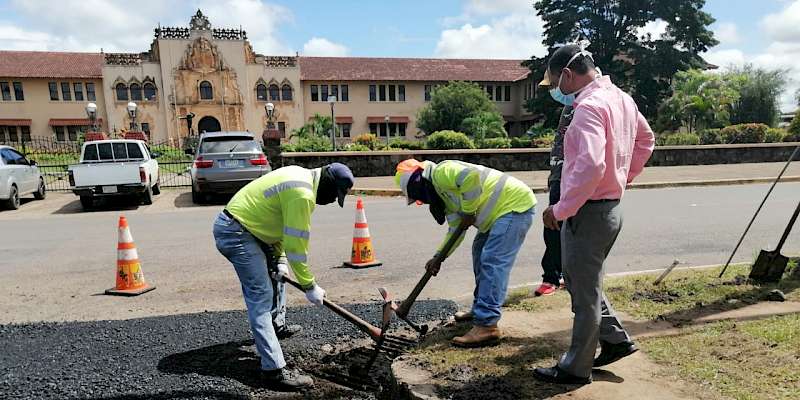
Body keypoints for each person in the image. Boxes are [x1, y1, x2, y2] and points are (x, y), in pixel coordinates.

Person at [532, 43, 655, 384]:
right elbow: (646, 141)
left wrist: (561, 209)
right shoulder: (621, 99)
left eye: (556, 84)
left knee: (582, 295)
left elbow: (589, 166)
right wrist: (623, 176)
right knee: (580, 281)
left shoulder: (587, 107)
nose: (557, 91)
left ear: (568, 75)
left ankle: (575, 368)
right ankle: (615, 340)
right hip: (610, 209)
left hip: (587, 213)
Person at [213, 163, 355, 391]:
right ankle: (274, 370)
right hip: (237, 232)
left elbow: (277, 222)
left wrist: (279, 259)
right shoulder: (303, 194)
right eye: (333, 195)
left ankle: (276, 325)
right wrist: (310, 286)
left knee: (277, 276)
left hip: (251, 228)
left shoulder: (301, 175)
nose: (330, 201)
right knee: (260, 295)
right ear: (328, 185)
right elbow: (296, 249)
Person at [395, 159, 537, 347]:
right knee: (479, 252)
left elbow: (470, 177)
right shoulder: (445, 196)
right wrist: (439, 257)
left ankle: (487, 325)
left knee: (492, 261)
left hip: (514, 206)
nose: (421, 201)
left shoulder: (441, 172)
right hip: (498, 215)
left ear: (418, 184)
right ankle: (481, 309)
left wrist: (469, 211)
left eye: (417, 196)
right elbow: (456, 229)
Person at [535, 104, 574, 296]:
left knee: (576, 229)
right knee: (553, 227)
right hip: (559, 175)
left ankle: (565, 276)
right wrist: (553, 175)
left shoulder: (590, 104)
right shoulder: (569, 107)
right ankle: (551, 276)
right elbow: (559, 143)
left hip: (576, 175)